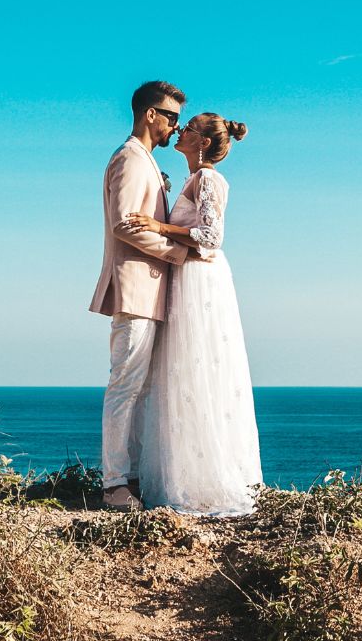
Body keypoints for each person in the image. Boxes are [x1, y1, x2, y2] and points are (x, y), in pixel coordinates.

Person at [122, 113, 263, 515]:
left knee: (200, 368)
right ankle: (183, 474)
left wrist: (158, 227)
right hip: (185, 276)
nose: (180, 131)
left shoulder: (208, 179)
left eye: (190, 128)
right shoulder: (190, 179)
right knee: (181, 372)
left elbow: (211, 236)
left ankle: (207, 480)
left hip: (201, 278)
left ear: (202, 142)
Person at [89, 81, 193, 512]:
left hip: (151, 292)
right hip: (135, 288)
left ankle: (129, 477)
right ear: (150, 115)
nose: (176, 126)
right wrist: (180, 254)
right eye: (171, 117)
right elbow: (125, 226)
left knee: (142, 389)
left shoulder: (146, 161)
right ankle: (114, 482)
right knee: (125, 386)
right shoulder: (130, 159)